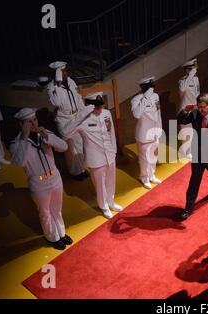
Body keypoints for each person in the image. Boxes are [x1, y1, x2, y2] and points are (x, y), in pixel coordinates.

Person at [10, 108, 72, 250]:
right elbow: (19, 162)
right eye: (28, 122)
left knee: (57, 209)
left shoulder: (44, 134)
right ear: (21, 124)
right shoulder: (17, 143)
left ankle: (61, 233)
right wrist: (25, 138)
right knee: (45, 212)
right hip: (38, 182)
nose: (33, 124)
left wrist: (47, 135)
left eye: (34, 120)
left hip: (55, 176)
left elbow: (64, 146)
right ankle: (51, 236)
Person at [62, 92, 123, 219]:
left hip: (109, 154)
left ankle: (111, 201)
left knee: (111, 181)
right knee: (100, 185)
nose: (100, 109)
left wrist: (114, 151)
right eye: (97, 106)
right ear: (89, 106)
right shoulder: (83, 120)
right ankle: (104, 206)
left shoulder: (106, 113)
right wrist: (82, 114)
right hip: (96, 158)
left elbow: (111, 132)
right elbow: (66, 132)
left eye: (101, 106)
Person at [47, 61, 87, 181]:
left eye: (65, 70)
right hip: (64, 120)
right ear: (57, 73)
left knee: (79, 145)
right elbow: (56, 102)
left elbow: (78, 97)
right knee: (71, 147)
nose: (66, 73)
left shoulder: (71, 81)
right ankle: (74, 172)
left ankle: (81, 169)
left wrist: (83, 112)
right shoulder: (51, 87)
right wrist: (58, 85)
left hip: (76, 116)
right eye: (62, 72)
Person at [131, 76, 163, 189]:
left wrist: (160, 128)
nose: (151, 90)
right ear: (143, 87)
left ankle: (152, 174)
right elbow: (136, 114)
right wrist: (146, 97)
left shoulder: (156, 96)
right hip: (144, 133)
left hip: (154, 131)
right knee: (144, 158)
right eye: (149, 88)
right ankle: (144, 177)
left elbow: (158, 114)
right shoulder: (136, 99)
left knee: (154, 154)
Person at [178, 58, 200, 159]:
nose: (194, 71)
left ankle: (190, 149)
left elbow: (197, 93)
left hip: (194, 107)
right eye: (192, 69)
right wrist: (190, 76)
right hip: (185, 109)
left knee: (192, 130)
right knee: (185, 131)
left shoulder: (196, 79)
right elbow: (182, 90)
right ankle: (185, 151)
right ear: (187, 70)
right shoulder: (182, 81)